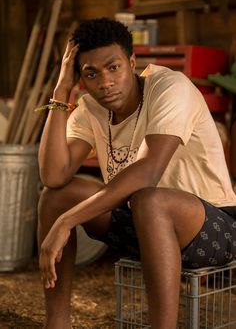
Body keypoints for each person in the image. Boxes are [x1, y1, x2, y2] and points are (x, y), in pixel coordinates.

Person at [38, 17, 236, 329]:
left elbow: (148, 172)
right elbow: (53, 175)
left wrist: (68, 221)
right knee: (56, 196)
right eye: (91, 74)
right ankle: (57, 325)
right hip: (142, 224)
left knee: (149, 199)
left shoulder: (170, 87)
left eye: (113, 67)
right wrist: (61, 92)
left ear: (131, 62)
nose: (105, 82)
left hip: (213, 227)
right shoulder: (90, 108)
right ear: (81, 79)